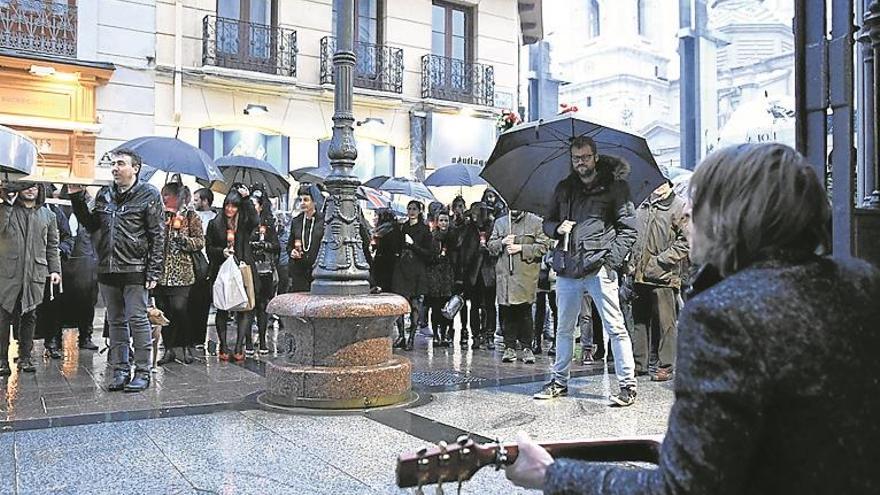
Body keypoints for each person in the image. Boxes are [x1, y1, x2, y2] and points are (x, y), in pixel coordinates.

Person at [507, 142, 880, 494]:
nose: (685, 213)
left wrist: (554, 474)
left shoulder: (723, 314)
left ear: (735, 216)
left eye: (698, 200)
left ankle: (625, 382)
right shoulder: (862, 281)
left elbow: (686, 486)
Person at [534, 136, 638, 406]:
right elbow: (547, 222)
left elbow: (628, 230)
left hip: (598, 267)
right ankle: (559, 380)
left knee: (616, 328)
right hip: (568, 267)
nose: (581, 162)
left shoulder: (615, 188)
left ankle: (627, 385)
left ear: (595, 157)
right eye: (576, 158)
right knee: (564, 329)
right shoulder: (564, 188)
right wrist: (556, 229)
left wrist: (610, 261)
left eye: (585, 157)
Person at [69, 149, 165, 392]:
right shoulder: (104, 194)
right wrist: (77, 197)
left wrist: (154, 271)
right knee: (115, 322)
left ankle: (142, 371)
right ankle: (120, 369)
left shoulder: (149, 194)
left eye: (120, 164)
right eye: (113, 164)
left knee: (138, 320)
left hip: (135, 268)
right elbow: (91, 225)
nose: (115, 168)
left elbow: (158, 235)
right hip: (107, 269)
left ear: (135, 168)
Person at [0, 182, 62, 375]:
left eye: (34, 187)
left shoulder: (48, 215)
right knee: (3, 316)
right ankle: (2, 360)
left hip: (35, 272)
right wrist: (7, 204)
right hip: (8, 272)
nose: (30, 190)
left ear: (40, 190)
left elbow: (52, 246)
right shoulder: (6, 210)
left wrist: (55, 270)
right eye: (26, 186)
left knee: (29, 315)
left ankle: (25, 358)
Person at [631, 180, 689, 381]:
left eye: (662, 182)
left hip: (664, 275)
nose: (658, 186)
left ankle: (666, 365)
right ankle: (640, 363)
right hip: (639, 274)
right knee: (639, 321)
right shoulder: (643, 204)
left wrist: (662, 260)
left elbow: (686, 241)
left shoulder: (679, 206)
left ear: (670, 184)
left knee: (666, 323)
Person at [488, 209, 550, 364]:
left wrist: (521, 248)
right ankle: (509, 347)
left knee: (525, 311)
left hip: (525, 275)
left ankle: (527, 347)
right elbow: (490, 246)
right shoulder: (501, 222)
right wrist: (502, 243)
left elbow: (543, 246)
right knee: (507, 312)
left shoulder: (535, 222)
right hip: (506, 276)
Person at [205, 186, 259, 362]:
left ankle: (238, 346)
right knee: (222, 306)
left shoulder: (243, 222)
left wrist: (246, 200)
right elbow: (209, 247)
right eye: (228, 205)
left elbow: (254, 220)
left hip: (243, 267)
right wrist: (222, 252)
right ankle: (223, 345)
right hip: (222, 270)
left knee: (245, 307)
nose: (230, 209)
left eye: (234, 206)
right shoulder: (215, 223)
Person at [154, 182, 204, 366]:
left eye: (169, 195)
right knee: (164, 312)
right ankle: (168, 349)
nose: (166, 198)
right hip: (161, 272)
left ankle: (183, 346)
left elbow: (199, 241)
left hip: (182, 272)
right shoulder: (160, 215)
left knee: (179, 309)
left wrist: (184, 241)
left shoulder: (191, 217)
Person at [35, 187, 74, 359]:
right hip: (27, 267)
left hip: (49, 267)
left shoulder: (55, 212)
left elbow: (67, 237)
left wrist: (60, 250)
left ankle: (52, 342)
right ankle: (24, 345)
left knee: (52, 306)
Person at [391, 200, 432, 350]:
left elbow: (428, 253)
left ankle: (411, 338)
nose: (411, 211)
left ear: (420, 211)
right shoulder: (403, 227)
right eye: (409, 209)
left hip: (416, 269)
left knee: (415, 304)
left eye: (414, 209)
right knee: (400, 303)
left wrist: (412, 245)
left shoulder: (424, 229)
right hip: (402, 268)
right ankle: (401, 335)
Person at [458, 202, 499, 350]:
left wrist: (487, 250)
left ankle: (489, 335)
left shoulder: (492, 227)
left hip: (489, 273)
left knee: (489, 306)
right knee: (474, 306)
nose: (474, 217)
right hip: (473, 273)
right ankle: (475, 335)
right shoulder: (469, 229)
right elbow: (464, 250)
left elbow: (496, 249)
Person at [248, 187, 280, 355]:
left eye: (255, 204)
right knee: (247, 306)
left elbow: (276, 246)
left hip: (264, 269)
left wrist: (265, 245)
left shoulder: (267, 224)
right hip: (248, 267)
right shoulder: (245, 222)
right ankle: (247, 341)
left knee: (262, 305)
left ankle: (262, 339)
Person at [425, 209, 455, 347]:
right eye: (441, 220)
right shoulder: (432, 237)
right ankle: (436, 334)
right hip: (434, 276)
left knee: (448, 308)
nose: (444, 223)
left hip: (448, 276)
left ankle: (446, 333)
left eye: (446, 220)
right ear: (437, 222)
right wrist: (438, 257)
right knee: (436, 308)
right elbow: (428, 257)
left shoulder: (453, 236)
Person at [190, 187, 216, 350]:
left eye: (197, 199)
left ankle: (199, 337)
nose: (194, 202)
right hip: (192, 263)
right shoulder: (191, 216)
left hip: (207, 264)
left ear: (205, 201)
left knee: (202, 302)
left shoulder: (214, 219)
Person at [287, 185, 324, 293]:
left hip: (317, 270)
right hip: (299, 270)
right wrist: (292, 252)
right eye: (301, 200)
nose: (302, 203)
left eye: (306, 200)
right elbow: (290, 244)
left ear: (314, 202)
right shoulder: (296, 221)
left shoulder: (323, 221)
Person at [449, 195, 470, 338]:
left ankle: (464, 329)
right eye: (456, 206)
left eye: (461, 206)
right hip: (451, 264)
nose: (458, 209)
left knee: (462, 300)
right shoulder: (450, 224)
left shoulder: (467, 225)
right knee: (450, 298)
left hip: (463, 266)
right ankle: (450, 329)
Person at [533, 253, 557, 356]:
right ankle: (536, 340)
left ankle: (556, 342)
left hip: (554, 271)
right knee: (539, 308)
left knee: (556, 309)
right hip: (539, 270)